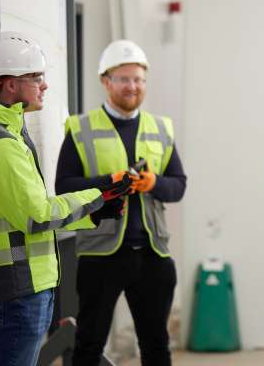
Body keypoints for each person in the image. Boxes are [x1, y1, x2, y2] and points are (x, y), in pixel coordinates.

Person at [0, 31, 126, 366]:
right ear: (10, 85)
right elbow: (37, 215)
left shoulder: (8, 134)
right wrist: (97, 198)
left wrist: (94, 211)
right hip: (19, 288)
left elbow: (32, 211)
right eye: (36, 77)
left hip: (25, 285)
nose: (44, 85)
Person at [55, 39, 186, 366]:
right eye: (124, 79)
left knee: (157, 346)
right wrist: (108, 182)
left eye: (139, 79)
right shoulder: (81, 129)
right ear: (106, 81)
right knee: (89, 345)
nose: (133, 86)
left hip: (153, 254)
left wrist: (154, 183)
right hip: (101, 254)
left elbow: (178, 185)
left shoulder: (161, 128)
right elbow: (64, 187)